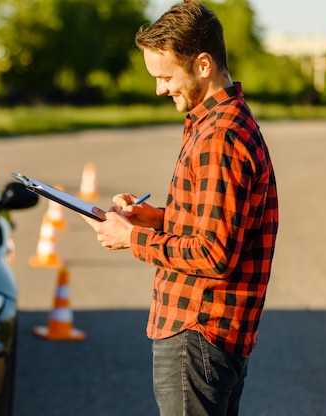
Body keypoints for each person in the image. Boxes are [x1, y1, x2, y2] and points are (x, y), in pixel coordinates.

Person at [81, 1, 279, 415]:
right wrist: (153, 219)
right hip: (208, 335)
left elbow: (214, 253)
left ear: (203, 64)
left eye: (166, 76)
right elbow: (219, 224)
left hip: (198, 332)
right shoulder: (219, 123)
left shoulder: (220, 136)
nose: (159, 88)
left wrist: (132, 238)